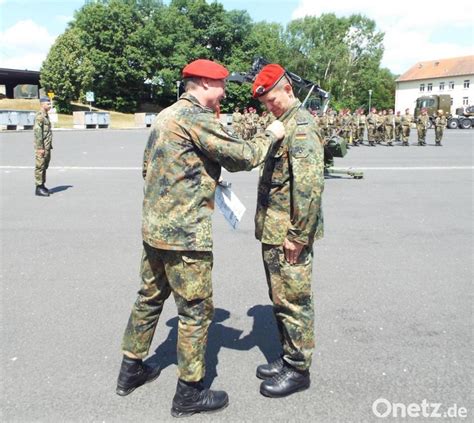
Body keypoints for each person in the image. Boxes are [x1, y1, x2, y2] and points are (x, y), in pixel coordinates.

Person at [116, 59, 285, 417]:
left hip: (155, 230)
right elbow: (242, 156)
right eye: (221, 85)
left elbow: (147, 167)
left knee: (149, 297)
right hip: (185, 236)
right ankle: (189, 393)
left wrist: (198, 177)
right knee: (195, 311)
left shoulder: (166, 115)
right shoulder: (196, 117)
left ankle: (131, 369)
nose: (224, 91)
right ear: (205, 83)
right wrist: (271, 134)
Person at [251, 64, 325, 398]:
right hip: (274, 229)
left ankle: (298, 369)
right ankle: (287, 356)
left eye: (271, 100)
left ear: (288, 90)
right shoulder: (286, 123)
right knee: (279, 299)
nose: (269, 107)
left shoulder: (303, 127)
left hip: (289, 233)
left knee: (294, 300)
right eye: (265, 103)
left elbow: (309, 189)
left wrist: (298, 235)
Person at [33, 96, 53, 196]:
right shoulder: (40, 116)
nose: (50, 105)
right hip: (42, 147)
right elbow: (37, 133)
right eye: (48, 104)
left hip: (47, 146)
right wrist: (40, 148)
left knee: (44, 166)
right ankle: (38, 187)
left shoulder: (46, 115)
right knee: (40, 166)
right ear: (42, 104)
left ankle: (42, 185)